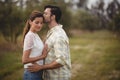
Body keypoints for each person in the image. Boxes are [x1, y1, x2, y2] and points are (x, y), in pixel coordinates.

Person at [28, 5, 71, 80]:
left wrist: (41, 67)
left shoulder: (59, 35)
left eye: (45, 14)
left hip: (58, 77)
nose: (43, 15)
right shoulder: (51, 32)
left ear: (53, 17)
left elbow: (61, 61)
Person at [22, 10, 48, 80]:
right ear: (30, 22)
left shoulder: (35, 35)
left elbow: (35, 51)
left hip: (38, 72)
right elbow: (24, 60)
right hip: (32, 73)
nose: (39, 25)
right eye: (37, 22)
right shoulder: (30, 36)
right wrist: (42, 56)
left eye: (41, 23)